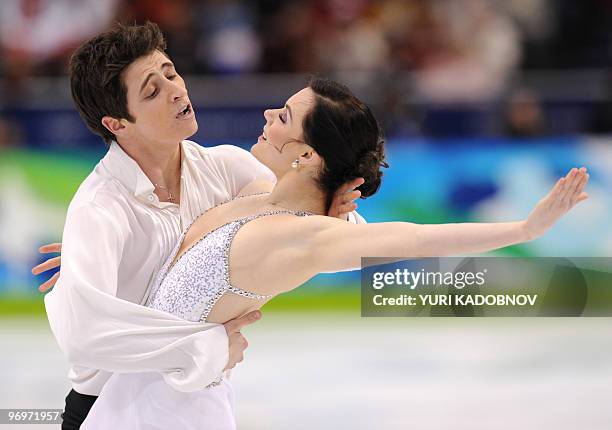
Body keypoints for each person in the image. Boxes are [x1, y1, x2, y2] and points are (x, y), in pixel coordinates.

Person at [80, 77, 589, 429]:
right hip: (133, 401)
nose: (266, 115)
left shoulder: (302, 236)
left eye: (282, 116)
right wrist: (105, 249)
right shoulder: (258, 195)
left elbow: (413, 238)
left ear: (305, 154)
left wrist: (524, 229)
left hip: (172, 413)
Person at [35, 22, 363, 430]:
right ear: (117, 124)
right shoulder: (100, 207)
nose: (176, 90)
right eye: (152, 91)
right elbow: (85, 338)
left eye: (171, 72)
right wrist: (207, 347)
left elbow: (335, 239)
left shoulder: (225, 167)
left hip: (191, 403)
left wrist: (332, 208)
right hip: (109, 409)